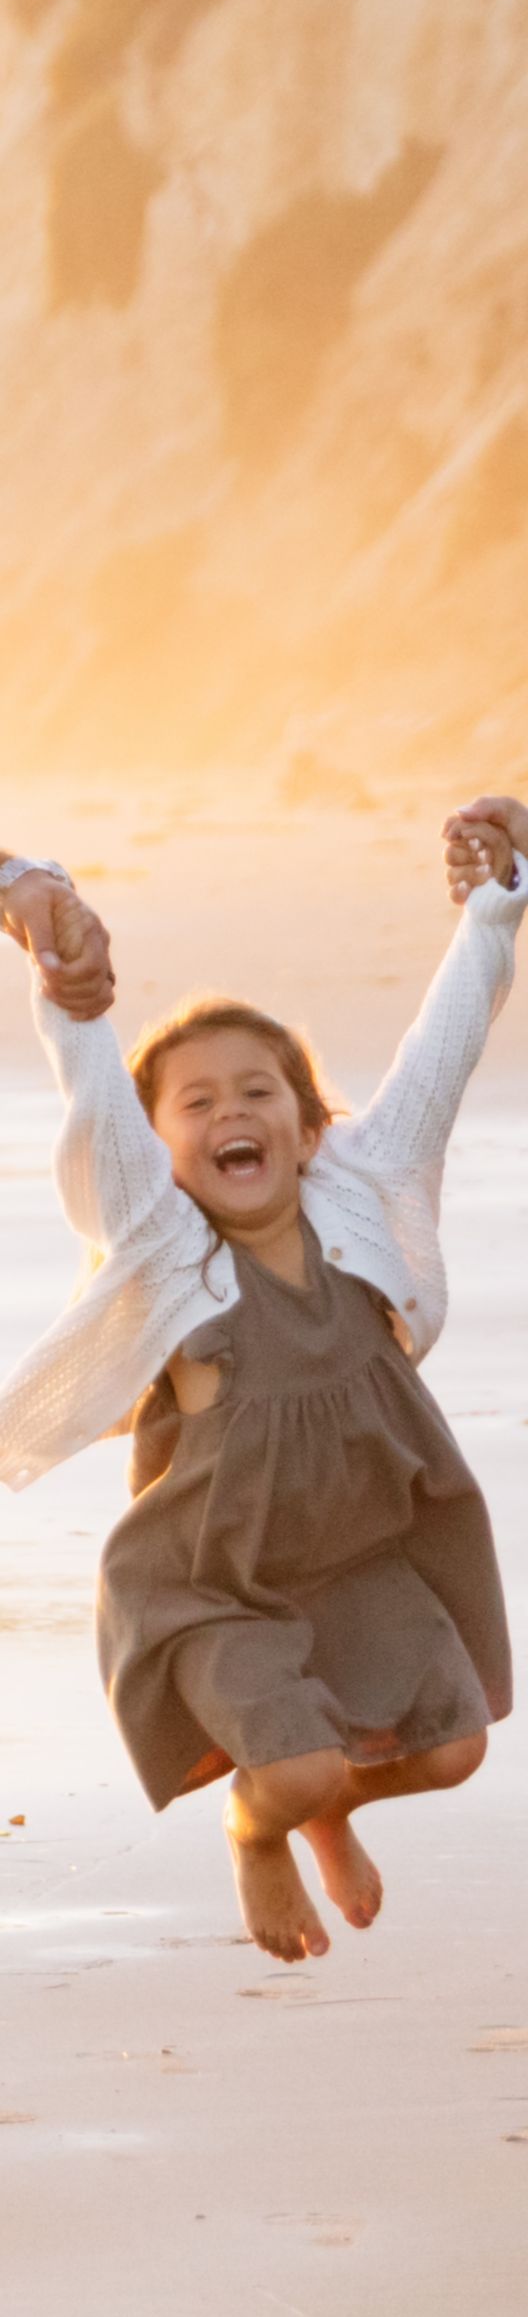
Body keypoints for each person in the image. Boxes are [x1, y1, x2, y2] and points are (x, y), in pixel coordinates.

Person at [0, 816, 526, 1968]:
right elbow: (95, 1096)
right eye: (195, 1104)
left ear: (309, 1122)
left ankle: (330, 1802)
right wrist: (59, 976)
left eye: (257, 1092)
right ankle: (264, 1822)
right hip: (211, 1591)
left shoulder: (364, 1205)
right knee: (290, 1769)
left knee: (451, 1749)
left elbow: (440, 1059)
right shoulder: (165, 1259)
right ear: (161, 1150)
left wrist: (498, 902)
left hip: (356, 1563)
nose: (230, 1112)